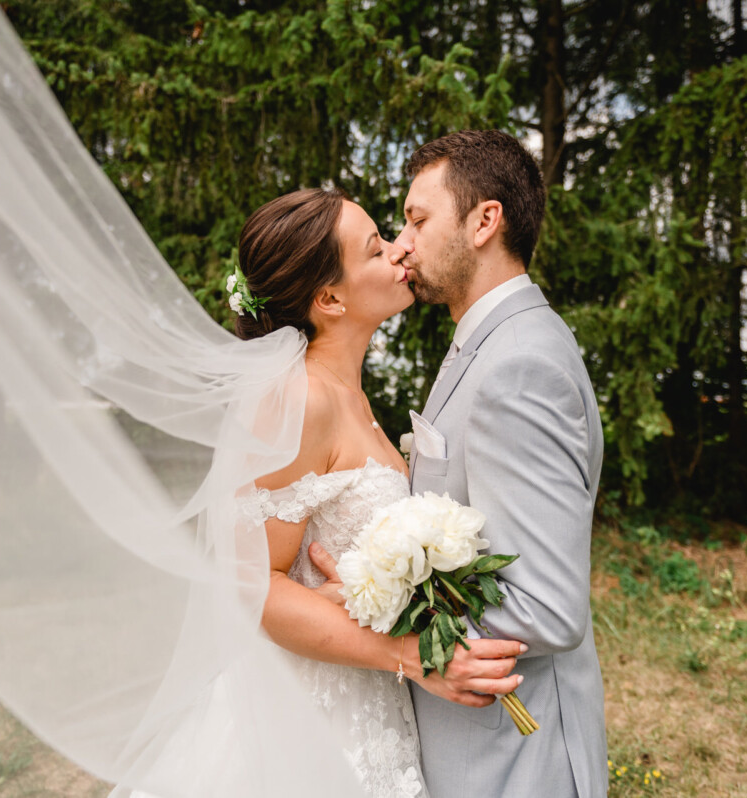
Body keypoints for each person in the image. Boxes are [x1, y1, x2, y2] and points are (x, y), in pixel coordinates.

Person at [228, 188, 527, 798]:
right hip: (314, 727)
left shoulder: (352, 399)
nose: (401, 251)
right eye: (376, 249)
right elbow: (253, 585)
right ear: (330, 298)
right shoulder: (299, 401)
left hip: (367, 703)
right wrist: (414, 654)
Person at [392, 130, 609, 798]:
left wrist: (379, 613)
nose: (402, 244)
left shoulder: (516, 365)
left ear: (485, 220)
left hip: (513, 762)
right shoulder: (488, 342)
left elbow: (544, 607)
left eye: (418, 219)